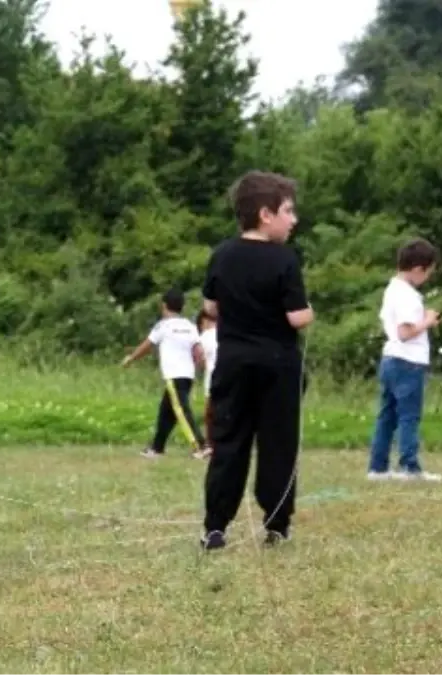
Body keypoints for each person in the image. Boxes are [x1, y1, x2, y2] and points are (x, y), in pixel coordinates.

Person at [199, 170, 315, 551]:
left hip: (232, 364)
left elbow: (210, 307)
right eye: (288, 211)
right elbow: (296, 317)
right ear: (266, 214)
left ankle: (215, 526)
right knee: (277, 444)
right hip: (277, 367)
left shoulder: (222, 254)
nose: (293, 219)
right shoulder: (285, 259)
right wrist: (309, 312)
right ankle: (276, 525)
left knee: (229, 442)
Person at [367, 239, 442, 482]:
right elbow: (406, 332)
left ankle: (377, 468)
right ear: (419, 268)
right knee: (409, 416)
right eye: (428, 272)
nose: (428, 278)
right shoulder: (409, 296)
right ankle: (410, 467)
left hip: (390, 359)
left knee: (387, 416)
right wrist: (428, 320)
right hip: (408, 362)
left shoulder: (392, 289)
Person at [121, 288, 207, 459]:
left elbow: (148, 345)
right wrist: (200, 367)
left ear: (164, 305)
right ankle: (157, 447)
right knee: (166, 412)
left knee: (181, 410)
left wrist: (131, 359)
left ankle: (200, 446)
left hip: (173, 375)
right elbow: (198, 351)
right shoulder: (189, 326)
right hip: (187, 375)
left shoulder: (163, 326)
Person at [197, 308, 218, 458]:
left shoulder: (205, 336)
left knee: (209, 414)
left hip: (212, 378)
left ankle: (210, 445)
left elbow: (200, 359)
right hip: (229, 377)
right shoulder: (225, 333)